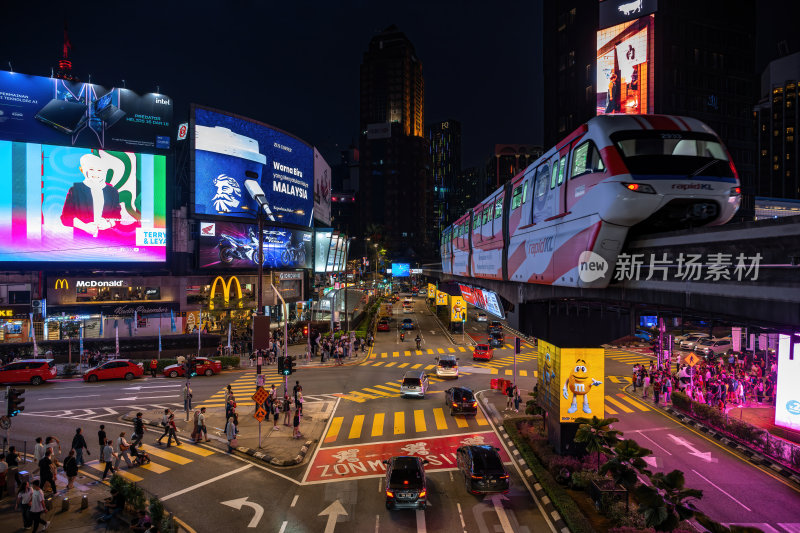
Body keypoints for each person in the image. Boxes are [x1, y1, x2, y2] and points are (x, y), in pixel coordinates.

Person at [60, 152, 123, 238]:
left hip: (107, 241)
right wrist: (84, 227)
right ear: (83, 170)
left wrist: (108, 224)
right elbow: (65, 218)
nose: (96, 174)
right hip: (82, 241)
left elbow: (117, 217)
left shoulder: (112, 191)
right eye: (91, 169)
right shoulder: (75, 190)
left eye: (99, 170)